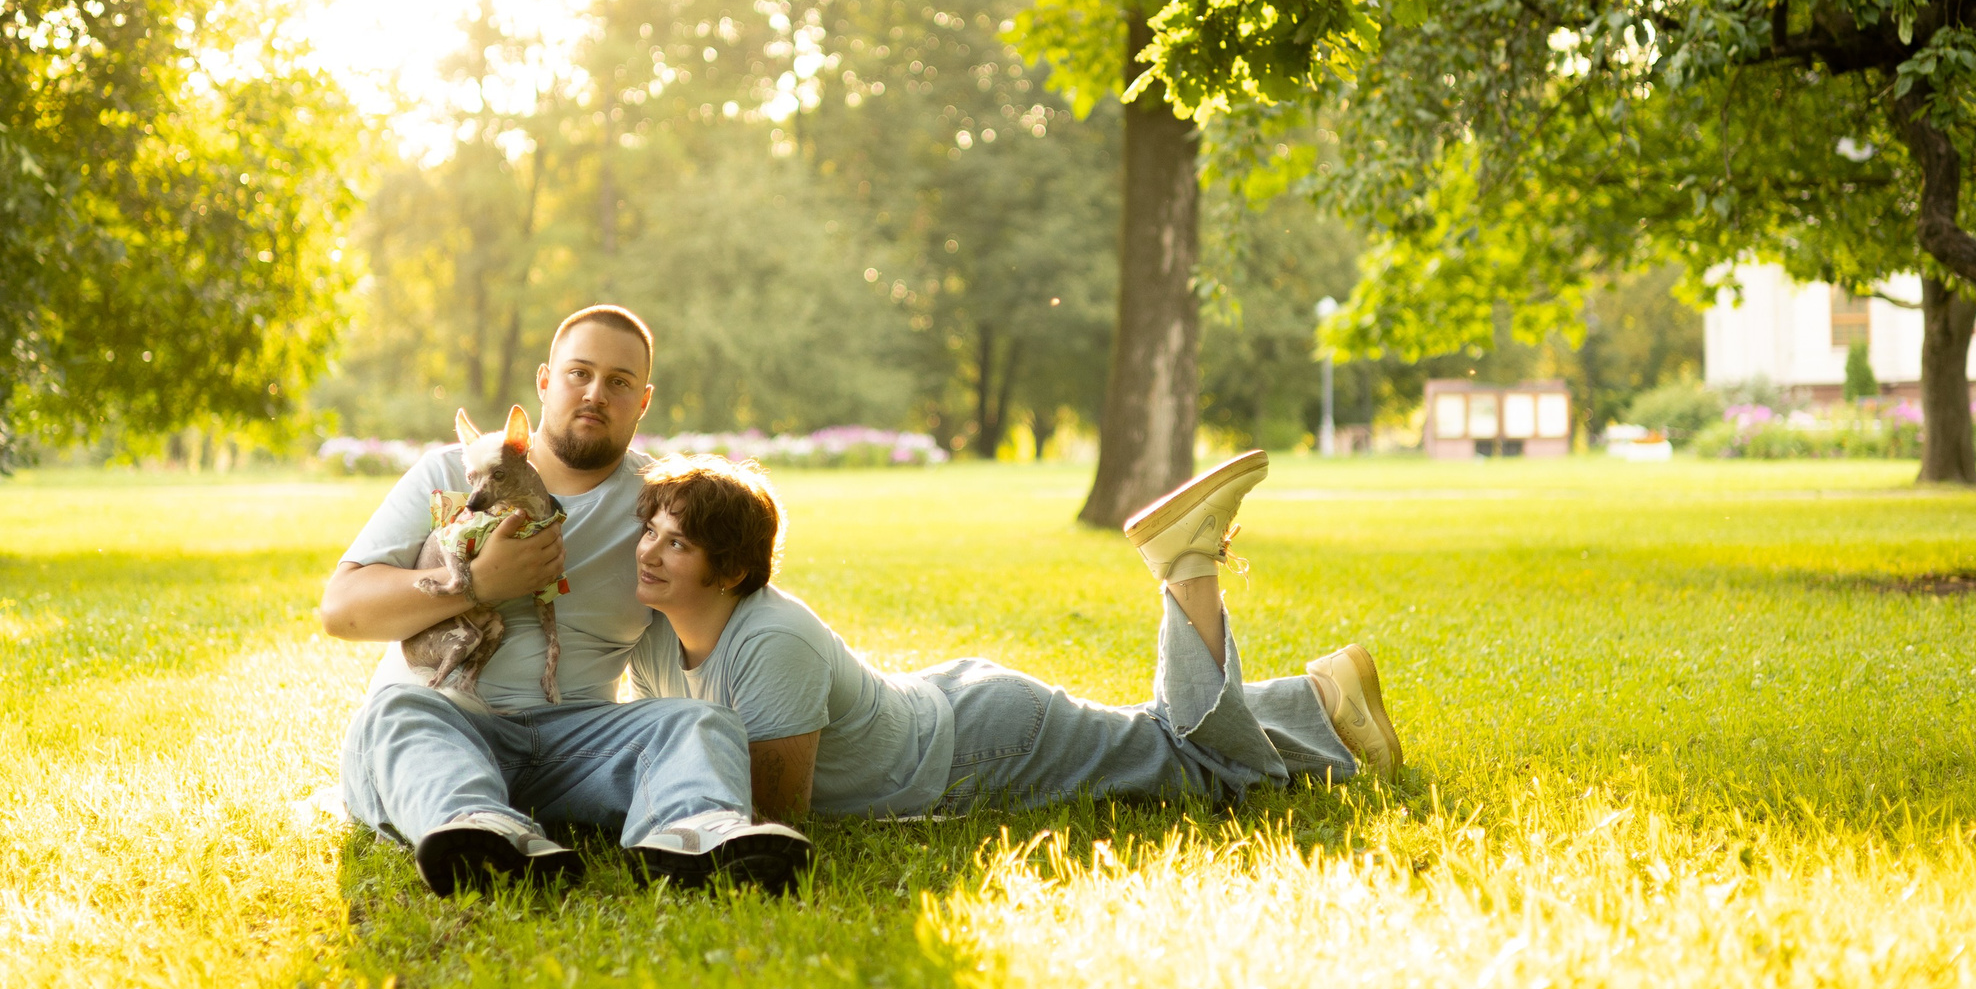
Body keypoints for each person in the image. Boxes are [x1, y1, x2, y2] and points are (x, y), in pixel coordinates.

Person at [317, 306, 809, 897]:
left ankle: (696, 835)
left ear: (643, 401)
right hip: (445, 725)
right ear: (545, 382)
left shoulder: (656, 503)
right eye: (580, 373)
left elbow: (730, 582)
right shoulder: (453, 472)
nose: (595, 393)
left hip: (578, 744)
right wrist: (477, 584)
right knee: (397, 711)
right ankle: (480, 829)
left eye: (619, 381)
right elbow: (341, 609)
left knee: (698, 721)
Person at [622, 450, 1403, 821]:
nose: (649, 552)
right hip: (954, 713)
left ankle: (1187, 564)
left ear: (730, 571)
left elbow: (773, 821)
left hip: (980, 748)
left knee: (1216, 777)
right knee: (1150, 739)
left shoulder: (770, 641)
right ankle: (1319, 700)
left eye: (677, 543)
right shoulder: (654, 635)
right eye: (650, 530)